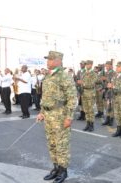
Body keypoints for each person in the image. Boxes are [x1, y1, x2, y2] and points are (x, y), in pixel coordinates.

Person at [36, 51, 77, 183]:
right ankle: (56, 168)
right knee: (52, 144)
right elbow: (45, 97)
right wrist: (42, 112)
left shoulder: (64, 77)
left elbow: (72, 98)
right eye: (48, 59)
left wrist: (69, 117)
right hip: (48, 115)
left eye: (51, 60)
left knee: (61, 145)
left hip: (60, 115)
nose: (48, 62)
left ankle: (63, 171)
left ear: (59, 61)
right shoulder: (48, 76)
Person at [77, 60, 97, 132]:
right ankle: (87, 124)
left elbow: (92, 84)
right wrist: (80, 84)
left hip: (90, 93)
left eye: (88, 64)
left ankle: (91, 125)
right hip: (84, 93)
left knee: (90, 110)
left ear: (91, 65)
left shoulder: (93, 74)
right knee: (86, 110)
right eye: (86, 64)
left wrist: (83, 83)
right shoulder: (84, 73)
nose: (86, 66)